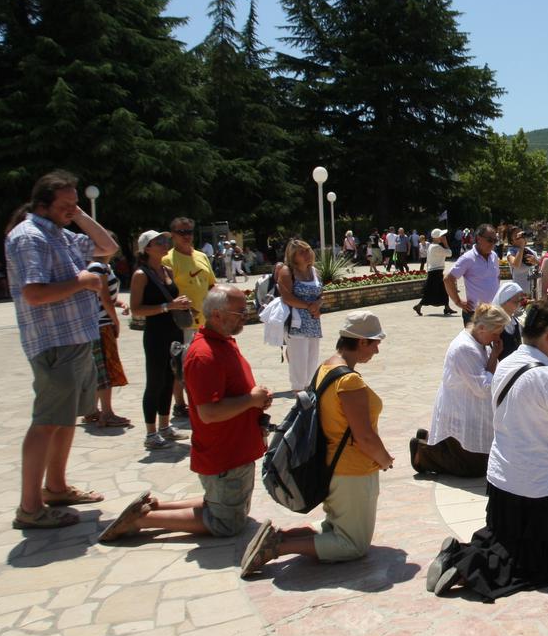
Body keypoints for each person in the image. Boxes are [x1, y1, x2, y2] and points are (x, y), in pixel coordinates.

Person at [426, 300, 548, 599]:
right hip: (536, 481)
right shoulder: (547, 377)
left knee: (505, 539)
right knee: (538, 560)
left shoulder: (507, 361)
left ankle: (460, 554)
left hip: (503, 475)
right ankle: (464, 565)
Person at [98, 285, 273, 544]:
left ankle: (153, 508)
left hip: (234, 449)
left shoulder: (222, 343)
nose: (246, 315)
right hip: (225, 453)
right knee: (227, 523)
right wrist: (251, 400)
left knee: (225, 506)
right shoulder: (204, 355)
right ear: (216, 315)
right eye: (239, 311)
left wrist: (255, 400)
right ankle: (142, 519)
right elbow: (208, 412)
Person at [240, 312, 394, 577]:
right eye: (374, 343)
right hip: (352, 470)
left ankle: (282, 536)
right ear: (360, 342)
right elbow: (364, 436)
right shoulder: (349, 381)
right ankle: (278, 546)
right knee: (353, 545)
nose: (377, 350)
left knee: (336, 523)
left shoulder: (327, 367)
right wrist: (384, 459)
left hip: (331, 466)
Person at [6, 171, 118, 529]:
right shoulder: (30, 237)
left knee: (65, 420)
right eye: (65, 205)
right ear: (42, 206)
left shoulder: (60, 233)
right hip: (54, 342)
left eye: (75, 204)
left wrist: (81, 215)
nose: (71, 211)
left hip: (75, 339)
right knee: (47, 422)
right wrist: (82, 282)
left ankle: (55, 487)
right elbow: (34, 293)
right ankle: (30, 507)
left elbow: (108, 247)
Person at [410, 303, 509, 477]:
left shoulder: (480, 342)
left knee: (483, 462)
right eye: (495, 332)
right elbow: (483, 388)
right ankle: (423, 452)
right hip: (459, 409)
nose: (497, 337)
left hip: (468, 408)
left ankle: (433, 442)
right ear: (482, 328)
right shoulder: (465, 348)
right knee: (472, 469)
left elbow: (486, 374)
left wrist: (494, 356)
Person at [131, 230, 194, 451]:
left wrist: (180, 303)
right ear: (147, 248)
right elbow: (136, 309)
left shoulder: (166, 270)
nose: (165, 244)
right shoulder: (141, 274)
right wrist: (168, 306)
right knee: (155, 381)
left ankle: (165, 426)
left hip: (173, 331)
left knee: (170, 378)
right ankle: (151, 432)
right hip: (156, 334)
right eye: (159, 242)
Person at [163, 217, 215, 419]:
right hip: (183, 321)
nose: (186, 236)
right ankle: (180, 404)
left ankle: (200, 398)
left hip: (205, 320)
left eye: (189, 231)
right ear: (173, 235)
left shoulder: (202, 256)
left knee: (202, 363)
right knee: (181, 363)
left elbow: (211, 284)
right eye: (181, 232)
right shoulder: (168, 260)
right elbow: (168, 291)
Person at [85, 240, 130, 428]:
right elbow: (103, 297)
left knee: (101, 367)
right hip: (101, 324)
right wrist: (116, 321)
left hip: (101, 322)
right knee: (104, 368)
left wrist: (119, 303)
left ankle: (93, 410)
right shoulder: (97, 267)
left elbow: (106, 296)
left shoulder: (104, 267)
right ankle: (106, 413)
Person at [279, 239, 324, 391]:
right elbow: (287, 297)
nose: (307, 254)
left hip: (313, 322)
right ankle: (299, 395)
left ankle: (309, 391)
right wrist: (309, 306)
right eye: (301, 252)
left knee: (312, 361)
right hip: (296, 324)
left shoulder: (315, 271)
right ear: (293, 256)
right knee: (299, 363)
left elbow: (320, 294)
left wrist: (318, 304)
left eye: (308, 250)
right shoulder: (287, 272)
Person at [445, 223, 501, 326]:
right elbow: (448, 279)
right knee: (475, 342)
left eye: (495, 240)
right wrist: (458, 301)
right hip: (475, 313)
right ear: (479, 238)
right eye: (490, 240)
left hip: (493, 311)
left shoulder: (494, 256)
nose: (493, 243)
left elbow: (497, 277)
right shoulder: (468, 258)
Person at [414, 228, 456, 317]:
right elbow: (449, 253)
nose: (443, 237)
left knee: (443, 290)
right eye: (441, 236)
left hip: (435, 271)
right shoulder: (436, 247)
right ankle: (419, 306)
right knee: (430, 291)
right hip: (435, 272)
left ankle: (447, 307)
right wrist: (445, 243)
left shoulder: (432, 246)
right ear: (437, 237)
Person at [495, 281, 528, 362]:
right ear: (504, 301)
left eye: (520, 300)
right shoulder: (495, 324)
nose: (519, 304)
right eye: (516, 301)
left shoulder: (515, 322)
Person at [506, 228, 538, 295]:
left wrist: (535, 261)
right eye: (517, 236)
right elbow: (516, 265)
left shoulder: (530, 251)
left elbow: (540, 265)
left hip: (533, 291)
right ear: (512, 241)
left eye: (521, 234)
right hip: (519, 293)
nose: (520, 237)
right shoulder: (511, 252)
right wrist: (521, 247)